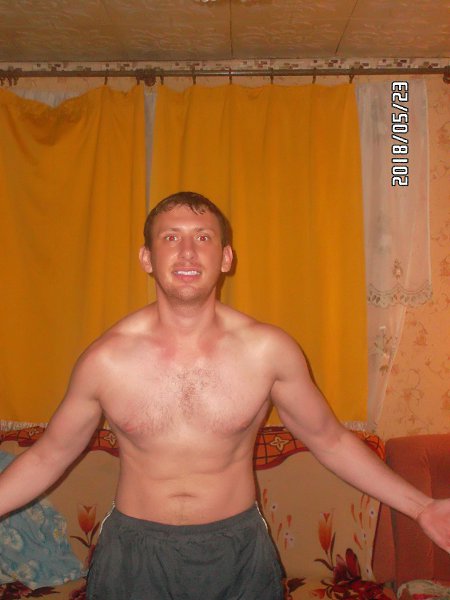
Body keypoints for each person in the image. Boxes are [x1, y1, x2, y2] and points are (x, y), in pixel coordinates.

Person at [0, 191, 449, 600]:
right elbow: (48, 457)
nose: (187, 252)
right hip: (133, 553)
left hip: (238, 552)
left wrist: (423, 507)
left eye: (203, 237)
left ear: (226, 257)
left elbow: (330, 440)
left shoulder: (267, 351)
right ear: (147, 258)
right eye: (171, 237)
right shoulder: (106, 360)